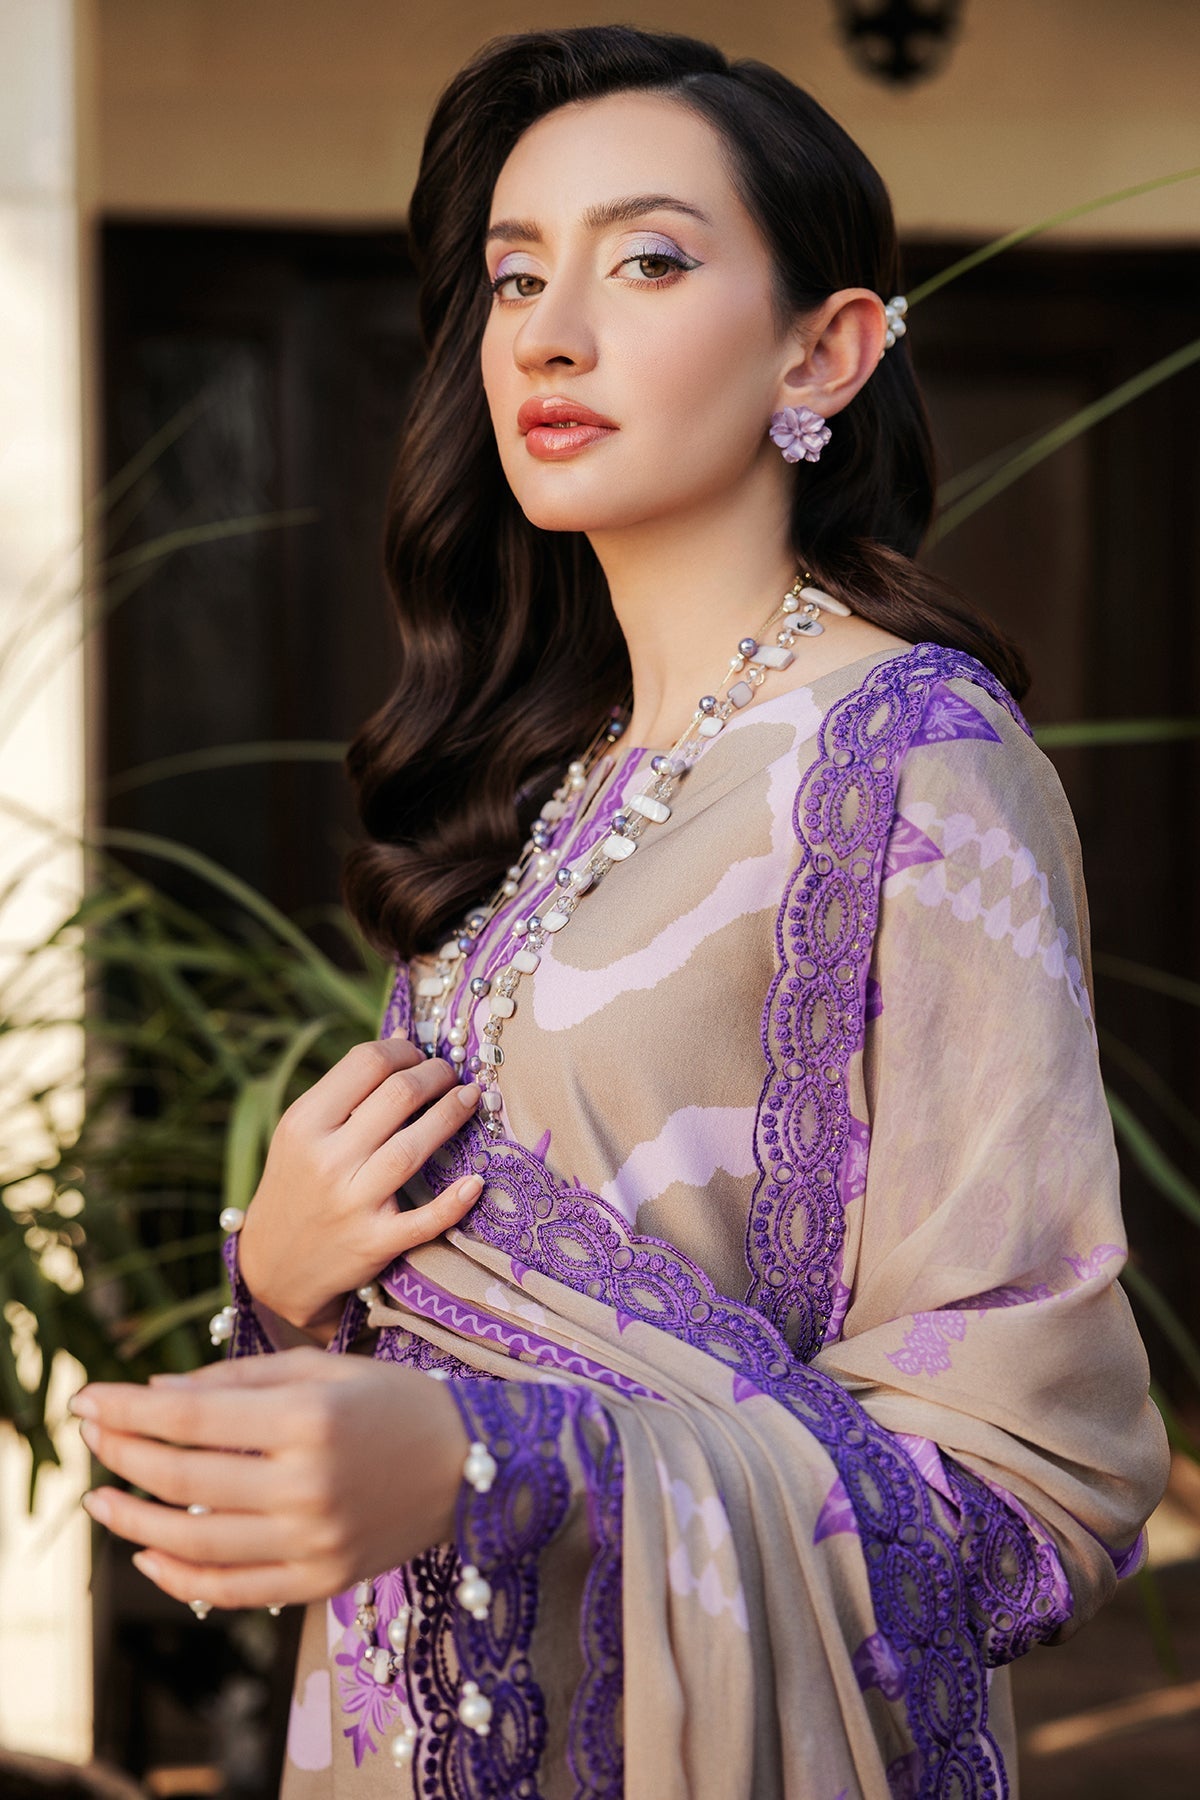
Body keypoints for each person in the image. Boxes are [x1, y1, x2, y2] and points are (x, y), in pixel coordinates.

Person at [69, 23, 1169, 1800]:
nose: (548, 333)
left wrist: (494, 1462)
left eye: (647, 260)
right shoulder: (544, 771)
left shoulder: (914, 761)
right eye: (516, 277)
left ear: (826, 348)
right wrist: (279, 1278)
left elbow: (1032, 1486)